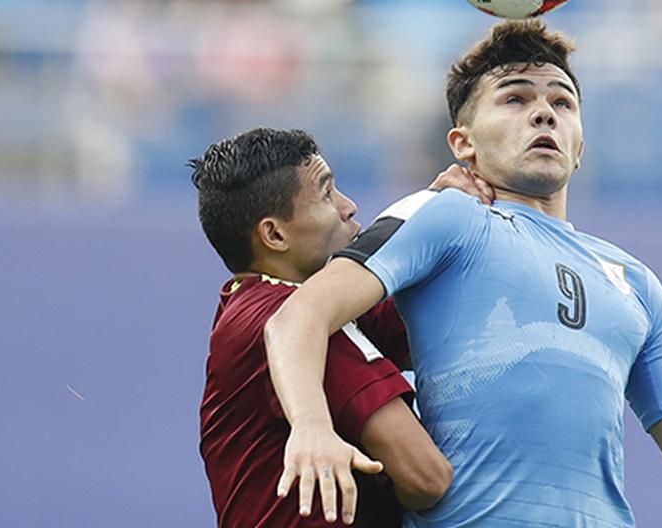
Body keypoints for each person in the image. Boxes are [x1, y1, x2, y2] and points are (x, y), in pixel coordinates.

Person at [264, 20, 662, 527]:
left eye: (563, 104)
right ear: (463, 143)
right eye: (515, 99)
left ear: (580, 146)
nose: (544, 112)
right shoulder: (446, 216)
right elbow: (296, 316)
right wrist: (311, 427)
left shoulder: (637, 283)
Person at [192, 127, 494, 527]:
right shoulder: (297, 318)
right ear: (274, 234)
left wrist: (434, 212)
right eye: (326, 194)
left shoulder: (255, 304)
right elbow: (426, 476)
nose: (349, 206)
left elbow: (426, 315)